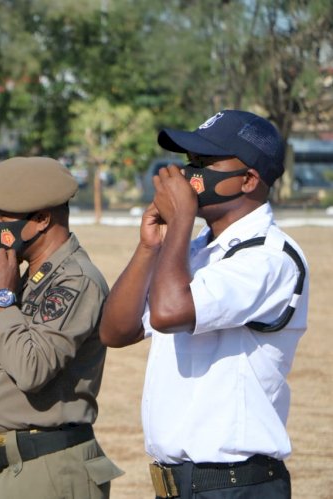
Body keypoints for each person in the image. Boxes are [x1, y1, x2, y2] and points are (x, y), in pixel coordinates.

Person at [99, 110, 309, 499]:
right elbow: (115, 330)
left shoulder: (271, 258)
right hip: (180, 484)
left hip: (236, 484)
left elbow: (169, 313)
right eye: (190, 162)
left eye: (205, 164)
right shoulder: (194, 250)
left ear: (248, 180)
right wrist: (150, 246)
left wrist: (180, 221)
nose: (187, 175)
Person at [0, 156, 124, 499]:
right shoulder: (32, 276)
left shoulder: (75, 280)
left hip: (52, 467)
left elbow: (32, 368)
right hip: (20, 466)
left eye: (2, 216)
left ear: (40, 219)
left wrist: (4, 299)